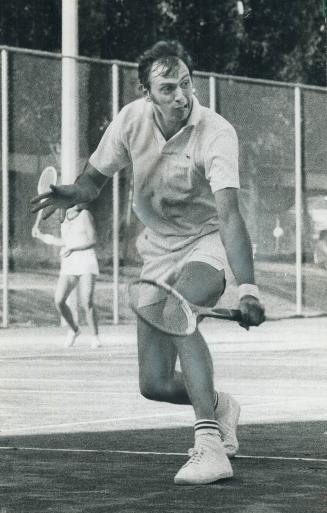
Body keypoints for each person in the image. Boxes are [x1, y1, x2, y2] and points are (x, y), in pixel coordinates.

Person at [31, 40, 265, 485]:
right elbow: (92, 182)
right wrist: (71, 193)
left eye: (185, 84)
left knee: (182, 310)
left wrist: (248, 289)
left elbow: (231, 216)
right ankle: (219, 406)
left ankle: (210, 445)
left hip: (207, 240)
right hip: (158, 247)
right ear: (146, 93)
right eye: (167, 88)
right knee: (153, 384)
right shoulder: (131, 120)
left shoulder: (216, 132)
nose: (181, 95)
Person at [32, 204, 102, 349]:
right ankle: (75, 330)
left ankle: (95, 336)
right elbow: (65, 242)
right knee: (59, 301)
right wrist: (42, 236)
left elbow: (92, 240)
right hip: (70, 263)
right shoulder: (63, 218)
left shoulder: (85, 215)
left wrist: (73, 248)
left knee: (87, 300)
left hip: (86, 261)